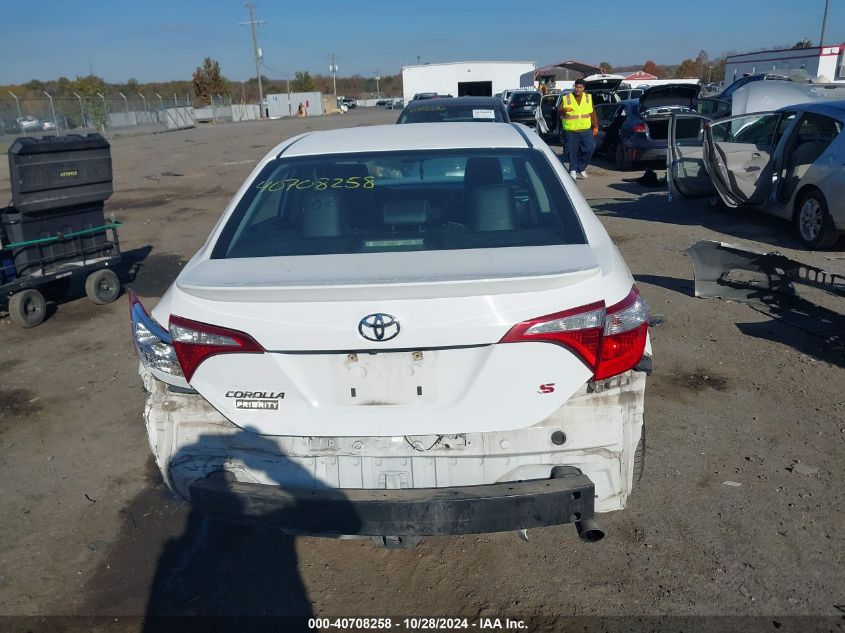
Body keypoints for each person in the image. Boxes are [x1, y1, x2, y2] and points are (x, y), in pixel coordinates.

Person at [559, 78, 598, 180]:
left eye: (580, 87)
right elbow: (559, 111)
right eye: (576, 87)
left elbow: (592, 112)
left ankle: (581, 167)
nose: (578, 89)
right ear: (574, 87)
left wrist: (595, 126)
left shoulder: (588, 98)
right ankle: (572, 169)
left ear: (583, 88)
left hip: (585, 129)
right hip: (571, 129)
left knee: (590, 148)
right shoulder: (567, 98)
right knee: (572, 151)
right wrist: (564, 110)